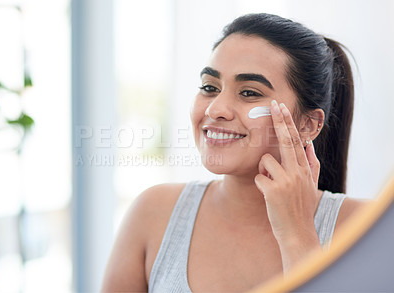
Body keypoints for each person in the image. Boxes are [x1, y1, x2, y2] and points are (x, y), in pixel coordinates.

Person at [101, 13, 368, 293]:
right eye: (209, 87)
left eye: (249, 93)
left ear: (308, 124)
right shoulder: (153, 213)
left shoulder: (362, 229)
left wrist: (297, 235)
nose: (215, 109)